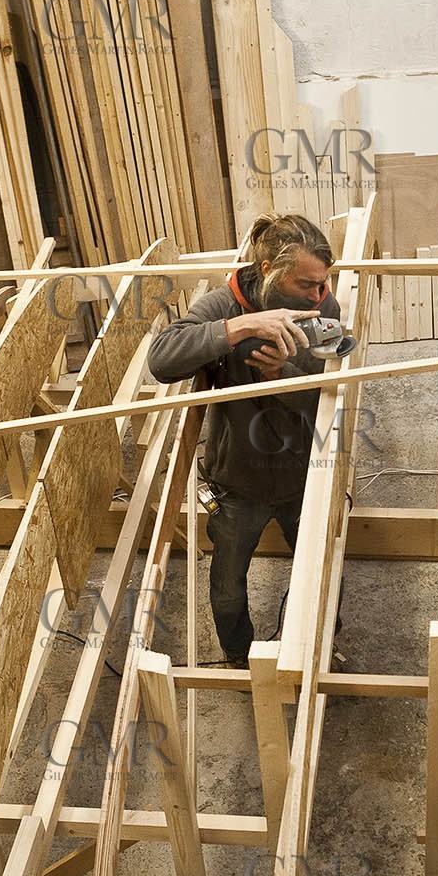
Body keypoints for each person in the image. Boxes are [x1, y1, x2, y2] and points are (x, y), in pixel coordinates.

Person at [147, 214, 340, 667]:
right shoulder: (224, 304)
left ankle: (320, 648)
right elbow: (161, 361)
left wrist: (279, 374)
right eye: (306, 284)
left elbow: (328, 397)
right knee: (228, 585)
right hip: (236, 482)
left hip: (303, 473)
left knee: (324, 575)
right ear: (269, 267)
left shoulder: (322, 308)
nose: (319, 294)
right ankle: (239, 656)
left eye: (322, 283)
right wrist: (241, 329)